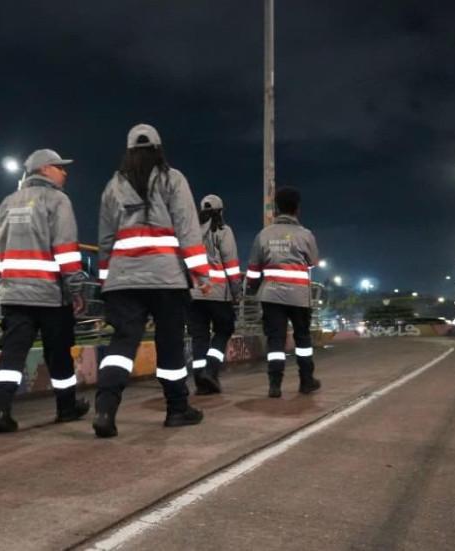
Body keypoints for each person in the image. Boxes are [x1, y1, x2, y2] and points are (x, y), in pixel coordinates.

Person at [93, 123, 211, 438]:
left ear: (129, 151)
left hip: (123, 279)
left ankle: (105, 408)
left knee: (121, 343)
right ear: (159, 149)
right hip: (166, 279)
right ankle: (176, 410)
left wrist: (105, 280)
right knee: (169, 345)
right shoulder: (173, 179)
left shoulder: (112, 186)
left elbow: (105, 240)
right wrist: (200, 272)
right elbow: (188, 228)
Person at [0, 148, 90, 433]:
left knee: (12, 353)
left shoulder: (7, 202)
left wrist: (6, 278)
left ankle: (0, 410)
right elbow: (66, 249)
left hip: (13, 293)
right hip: (49, 294)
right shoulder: (57, 200)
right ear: (44, 169)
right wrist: (76, 289)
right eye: (59, 166)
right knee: (58, 353)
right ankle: (66, 408)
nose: (64, 172)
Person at [245, 186, 320, 398]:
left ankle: (275, 385)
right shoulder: (305, 235)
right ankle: (306, 381)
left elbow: (253, 267)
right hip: (298, 296)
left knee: (275, 341)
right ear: (297, 208)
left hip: (271, 295)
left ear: (276, 207)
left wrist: (251, 287)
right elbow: (313, 262)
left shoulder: (263, 235)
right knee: (303, 339)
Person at [188, 194, 242, 394]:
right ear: (220, 211)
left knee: (199, 337)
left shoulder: (190, 233)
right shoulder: (223, 231)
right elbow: (231, 264)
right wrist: (236, 292)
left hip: (194, 293)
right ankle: (210, 370)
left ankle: (200, 382)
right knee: (223, 331)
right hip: (218, 293)